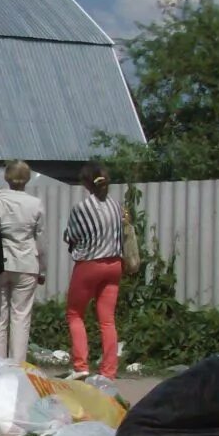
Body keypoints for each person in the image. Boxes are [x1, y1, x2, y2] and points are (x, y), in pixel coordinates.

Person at [62, 162, 126, 381]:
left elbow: (70, 236)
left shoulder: (81, 208)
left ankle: (81, 366)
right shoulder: (117, 206)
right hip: (115, 264)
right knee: (107, 320)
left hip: (90, 264)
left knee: (75, 313)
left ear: (85, 183)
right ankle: (109, 370)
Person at [0, 161, 45, 365]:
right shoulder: (35, 204)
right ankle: (18, 367)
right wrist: (42, 268)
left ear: (7, 178)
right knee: (21, 317)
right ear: (27, 179)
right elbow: (40, 239)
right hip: (27, 262)